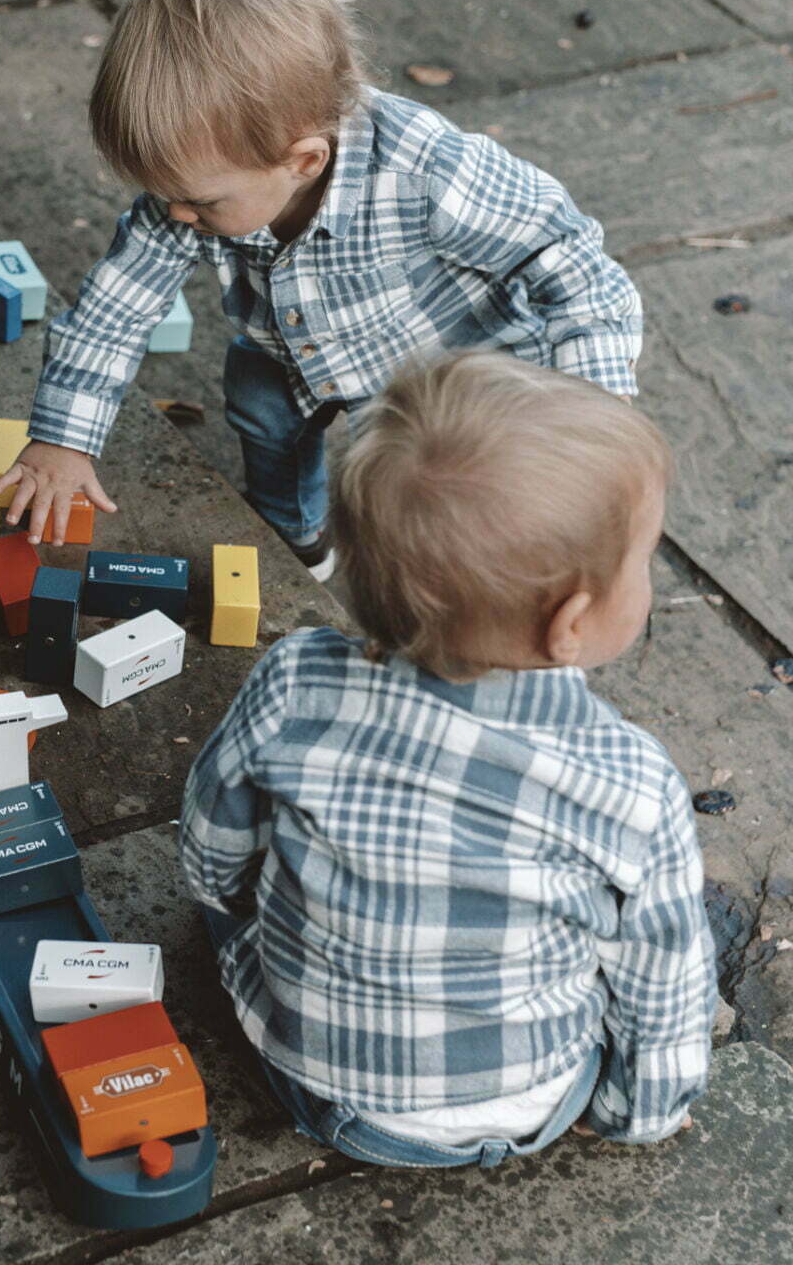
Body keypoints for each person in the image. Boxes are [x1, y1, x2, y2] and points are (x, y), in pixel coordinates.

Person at [180, 352, 716, 1168]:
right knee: (630, 953)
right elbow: (665, 986)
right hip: (525, 1102)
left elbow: (210, 849)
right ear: (570, 623)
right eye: (645, 559)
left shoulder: (295, 684)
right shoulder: (631, 787)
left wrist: (239, 913)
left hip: (306, 1075)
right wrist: (638, 1114)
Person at [0, 0, 642, 580]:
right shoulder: (194, 192)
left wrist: (594, 410)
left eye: (200, 201)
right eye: (164, 196)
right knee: (259, 405)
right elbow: (113, 312)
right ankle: (293, 535)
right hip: (294, 351)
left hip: (447, 377)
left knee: (432, 507)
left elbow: (572, 262)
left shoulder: (428, 171)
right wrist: (63, 437)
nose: (176, 214)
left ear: (303, 161)